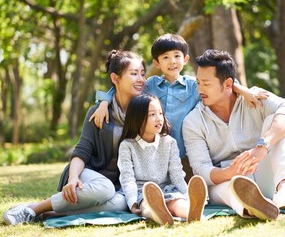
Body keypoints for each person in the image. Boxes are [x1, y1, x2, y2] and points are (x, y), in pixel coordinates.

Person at [91, 34, 268, 182]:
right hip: (157, 154)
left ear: (185, 59)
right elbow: (123, 88)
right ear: (157, 63)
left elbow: (223, 84)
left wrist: (243, 91)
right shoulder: (151, 85)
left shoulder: (194, 86)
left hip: (186, 156)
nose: (172, 61)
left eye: (176, 56)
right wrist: (105, 102)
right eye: (165, 57)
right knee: (157, 185)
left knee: (189, 187)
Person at [3, 49, 147, 225]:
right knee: (105, 189)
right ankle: (33, 208)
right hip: (87, 174)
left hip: (116, 185)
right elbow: (82, 151)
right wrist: (73, 178)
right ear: (115, 79)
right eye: (134, 74)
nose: (140, 79)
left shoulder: (143, 113)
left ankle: (53, 212)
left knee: (120, 203)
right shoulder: (98, 112)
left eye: (142, 73)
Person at [182, 49, 285, 221]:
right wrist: (229, 172)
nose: (200, 89)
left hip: (263, 169)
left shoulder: (254, 98)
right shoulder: (193, 121)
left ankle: (284, 192)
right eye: (198, 83)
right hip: (226, 180)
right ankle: (251, 207)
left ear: (227, 84)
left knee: (276, 123)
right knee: (220, 188)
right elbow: (201, 168)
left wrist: (262, 146)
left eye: (206, 84)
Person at [118, 93, 207, 226]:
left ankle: (192, 211)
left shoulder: (169, 142)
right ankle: (159, 214)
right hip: (143, 191)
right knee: (147, 206)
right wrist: (132, 202)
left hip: (167, 189)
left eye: (160, 113)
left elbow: (177, 174)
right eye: (152, 114)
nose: (159, 118)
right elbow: (127, 178)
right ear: (137, 118)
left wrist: (186, 194)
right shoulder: (127, 146)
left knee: (176, 202)